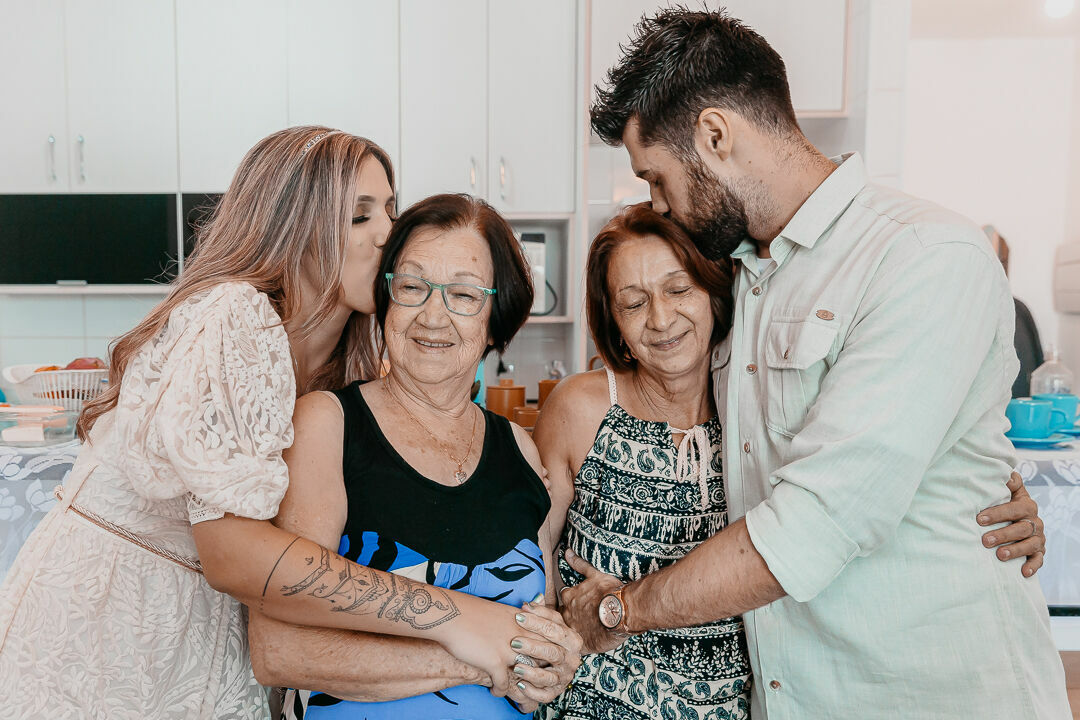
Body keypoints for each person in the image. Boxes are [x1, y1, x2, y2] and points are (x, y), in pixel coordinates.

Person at [559, 9, 1070, 719]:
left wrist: (621, 608)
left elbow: (818, 522)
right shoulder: (737, 276)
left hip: (931, 692)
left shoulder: (923, 257)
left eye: (656, 177)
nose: (657, 204)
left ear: (714, 135)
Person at [0, 127, 570, 717]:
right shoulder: (236, 316)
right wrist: (459, 619)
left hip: (202, 630)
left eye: (390, 211)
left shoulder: (328, 357)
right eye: (358, 216)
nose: (387, 234)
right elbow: (231, 552)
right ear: (293, 230)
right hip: (114, 627)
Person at [538, 205, 1052, 720]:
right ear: (613, 320)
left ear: (715, 290)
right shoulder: (581, 409)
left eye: (679, 290)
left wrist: (987, 507)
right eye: (633, 303)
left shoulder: (762, 412)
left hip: (746, 705)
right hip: (597, 702)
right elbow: (521, 562)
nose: (661, 319)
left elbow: (863, 482)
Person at [248, 193, 582, 718]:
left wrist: (557, 657)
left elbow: (539, 625)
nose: (433, 315)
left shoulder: (518, 447)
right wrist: (472, 660)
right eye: (412, 287)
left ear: (495, 320)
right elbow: (279, 651)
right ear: (386, 300)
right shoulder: (328, 425)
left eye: (465, 295)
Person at [984, 225, 1045, 397]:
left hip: (1021, 414)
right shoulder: (964, 310)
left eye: (1001, 261)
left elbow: (1039, 370)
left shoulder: (1019, 310)